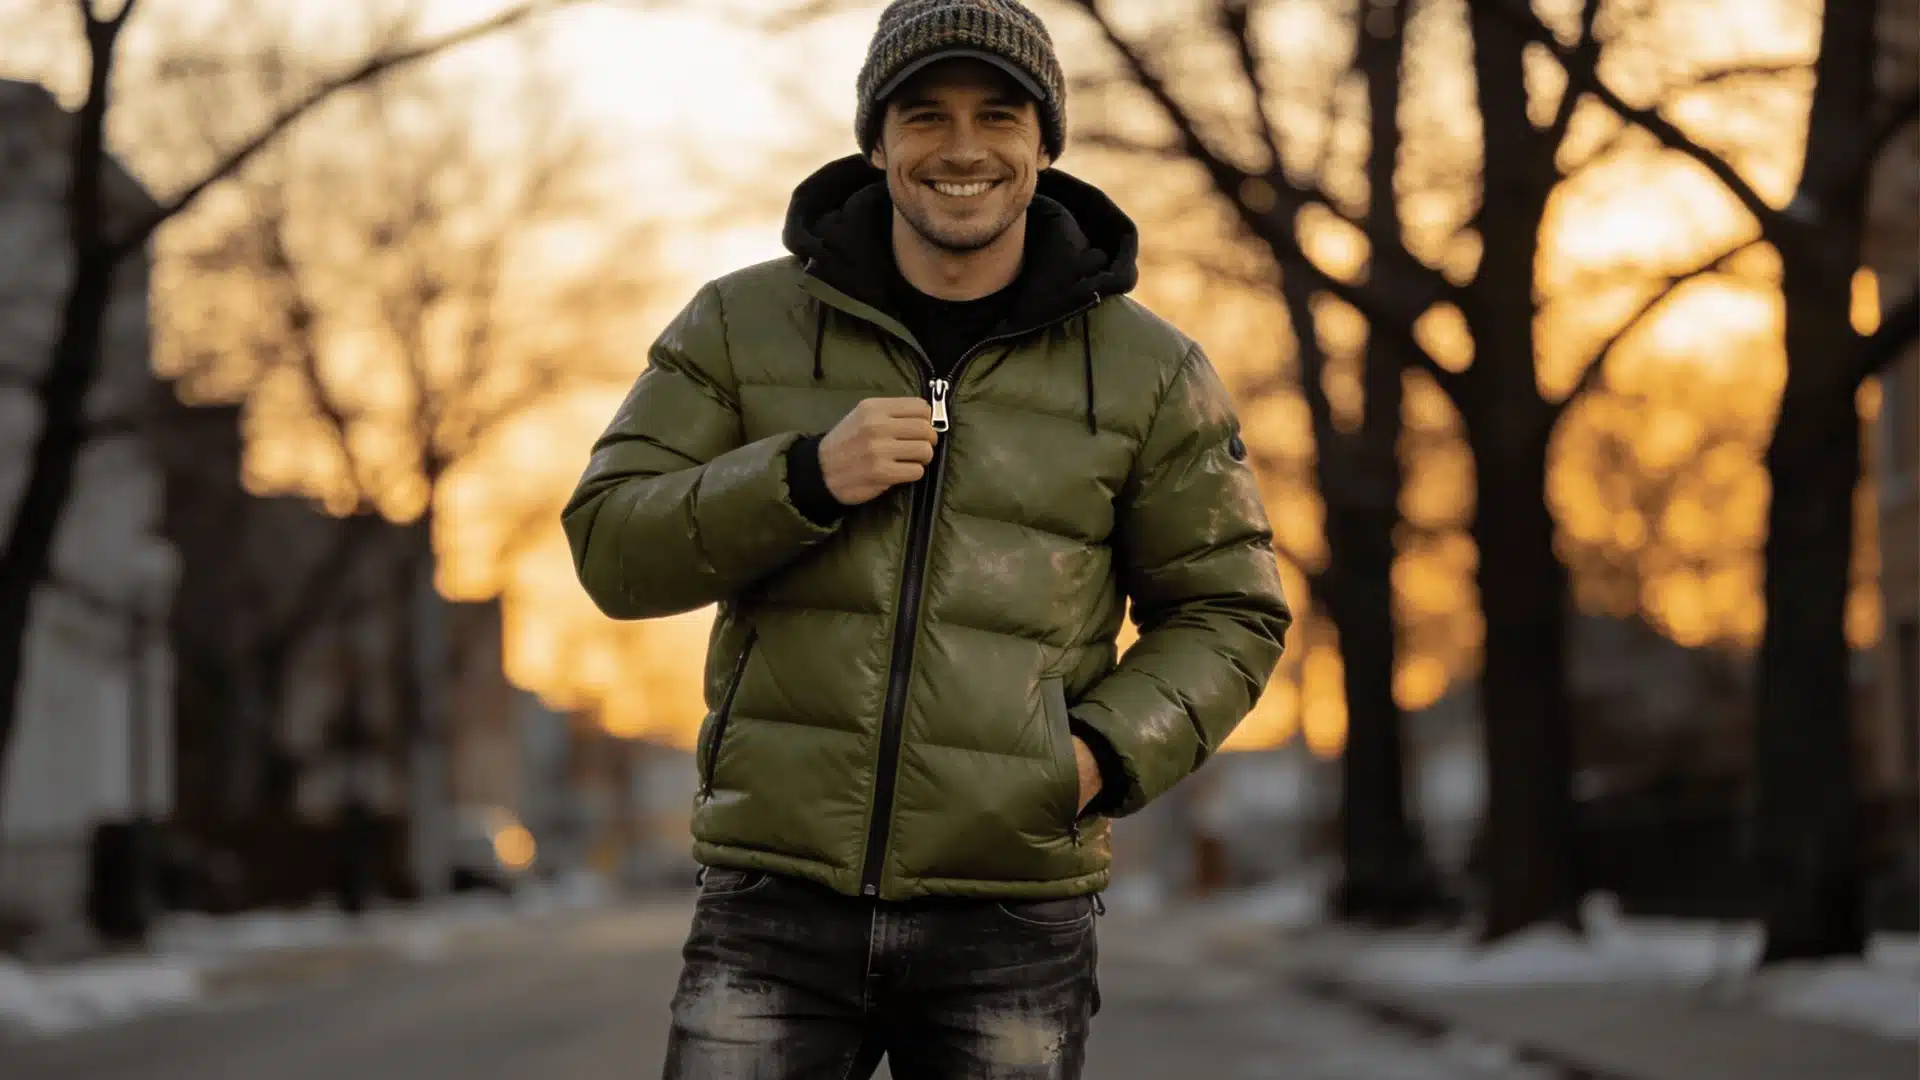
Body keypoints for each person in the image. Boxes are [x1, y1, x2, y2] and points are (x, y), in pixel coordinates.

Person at [562, 1, 1292, 1075]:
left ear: (1043, 144)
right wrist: (804, 477)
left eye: (999, 115)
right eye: (924, 115)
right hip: (775, 900)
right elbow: (610, 546)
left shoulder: (1151, 374)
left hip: (1013, 908)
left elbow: (1230, 611)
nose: (961, 148)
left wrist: (1089, 760)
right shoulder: (737, 323)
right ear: (875, 140)